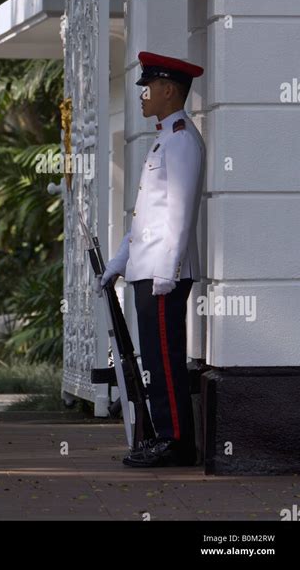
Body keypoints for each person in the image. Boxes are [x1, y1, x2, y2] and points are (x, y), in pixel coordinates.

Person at [96, 51, 205, 467]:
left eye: (148, 87)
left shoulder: (181, 140)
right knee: (154, 359)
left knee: (164, 358)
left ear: (168, 90)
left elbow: (178, 212)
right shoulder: (164, 138)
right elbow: (147, 216)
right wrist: (120, 260)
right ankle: (164, 435)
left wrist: (168, 270)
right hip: (149, 268)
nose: (142, 94)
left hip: (163, 271)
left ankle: (175, 442)